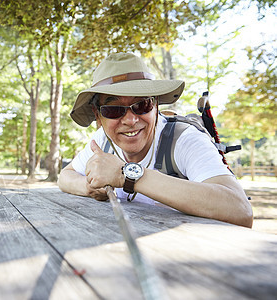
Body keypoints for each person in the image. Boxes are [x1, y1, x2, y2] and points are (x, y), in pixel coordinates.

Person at [58, 53, 253, 228]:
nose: (131, 120)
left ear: (156, 106)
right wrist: (89, 186)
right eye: (113, 110)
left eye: (142, 105)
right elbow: (65, 177)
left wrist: (127, 176)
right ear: (98, 116)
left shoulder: (184, 139)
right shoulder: (102, 141)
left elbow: (240, 209)